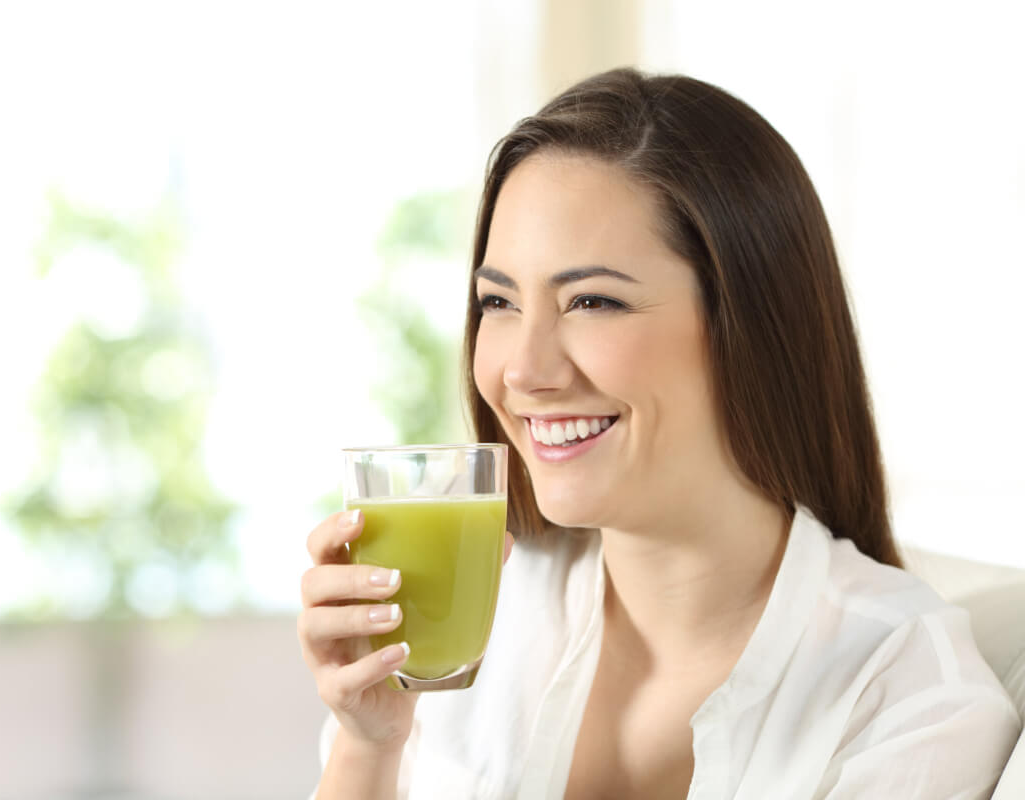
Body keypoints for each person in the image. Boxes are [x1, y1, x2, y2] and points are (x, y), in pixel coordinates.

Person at [297, 67, 1022, 799]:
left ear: (752, 328)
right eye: (499, 301)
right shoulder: (470, 634)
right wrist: (369, 746)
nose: (523, 369)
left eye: (592, 301)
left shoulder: (903, 692)